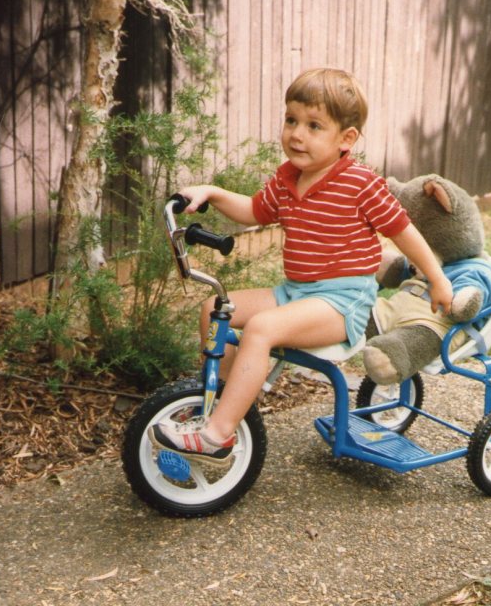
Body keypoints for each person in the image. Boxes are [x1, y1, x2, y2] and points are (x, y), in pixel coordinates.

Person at [150, 67, 453, 465]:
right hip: (295, 292)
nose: (296, 134)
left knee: (261, 329)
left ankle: (218, 436)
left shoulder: (361, 184)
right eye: (291, 120)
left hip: (341, 303)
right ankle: (222, 403)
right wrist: (213, 192)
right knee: (214, 310)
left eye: (314, 126)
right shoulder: (287, 178)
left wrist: (437, 279)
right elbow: (253, 211)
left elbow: (404, 232)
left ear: (346, 139)